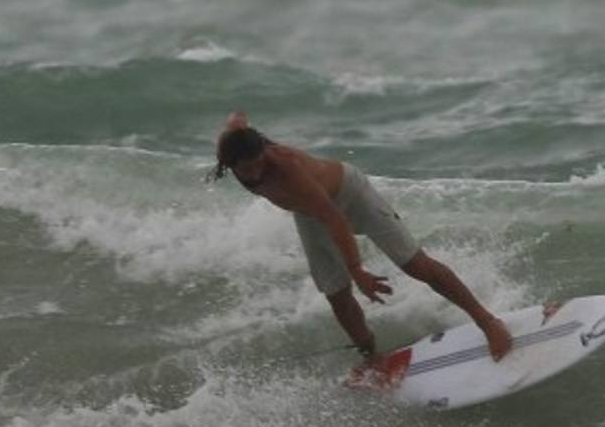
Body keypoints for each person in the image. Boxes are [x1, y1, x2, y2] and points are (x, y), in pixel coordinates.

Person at [212, 112, 512, 370]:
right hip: (309, 212)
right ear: (230, 162)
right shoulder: (231, 150)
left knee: (414, 264)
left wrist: (358, 271)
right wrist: (236, 122)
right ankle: (372, 358)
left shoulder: (287, 168)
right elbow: (236, 120)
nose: (255, 172)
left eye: (258, 163)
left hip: (349, 195)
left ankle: (488, 322)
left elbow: (334, 218)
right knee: (335, 293)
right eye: (246, 168)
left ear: (263, 152)